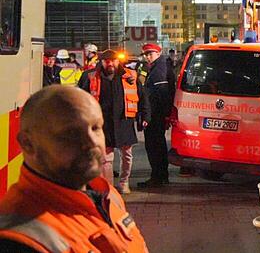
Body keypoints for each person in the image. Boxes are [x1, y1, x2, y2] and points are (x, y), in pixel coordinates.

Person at [0, 85, 148, 252]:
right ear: (28, 143)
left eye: (95, 128)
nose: (91, 142)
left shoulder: (108, 195)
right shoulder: (17, 240)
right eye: (71, 133)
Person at [78, 50, 150, 194]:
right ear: (102, 62)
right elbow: (81, 98)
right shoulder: (90, 76)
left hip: (124, 121)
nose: (110, 63)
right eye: (107, 61)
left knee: (127, 155)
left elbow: (142, 97)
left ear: (118, 61)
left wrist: (145, 116)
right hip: (103, 123)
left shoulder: (130, 76)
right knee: (106, 158)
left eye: (113, 60)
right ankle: (109, 187)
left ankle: (124, 183)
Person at [138, 43, 175, 188]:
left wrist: (154, 115)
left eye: (150, 54)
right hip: (157, 113)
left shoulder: (159, 69)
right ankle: (161, 176)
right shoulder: (158, 67)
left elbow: (161, 94)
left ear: (158, 54)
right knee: (158, 145)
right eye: (146, 54)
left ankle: (157, 176)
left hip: (155, 114)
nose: (147, 57)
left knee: (154, 146)